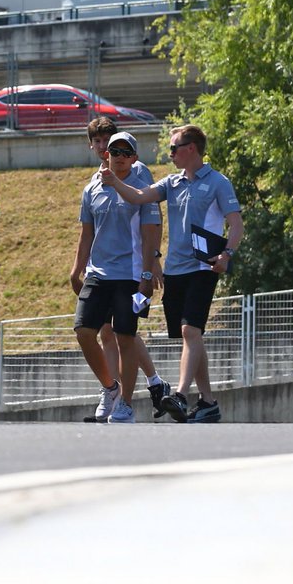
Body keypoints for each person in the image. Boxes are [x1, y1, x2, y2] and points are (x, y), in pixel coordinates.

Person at [100, 124, 243, 423]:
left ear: (191, 148)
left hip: (203, 268)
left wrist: (226, 254)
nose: (170, 153)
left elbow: (236, 224)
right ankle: (208, 402)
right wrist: (114, 183)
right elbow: (139, 197)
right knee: (191, 336)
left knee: (191, 331)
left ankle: (178, 394)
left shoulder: (218, 182)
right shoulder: (172, 182)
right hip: (175, 271)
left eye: (174, 148)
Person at [78, 118, 170, 421]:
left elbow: (150, 216)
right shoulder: (93, 183)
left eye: (115, 144)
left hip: (130, 271)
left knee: (123, 334)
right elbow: (88, 229)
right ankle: (114, 389)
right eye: (102, 143)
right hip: (100, 271)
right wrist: (77, 267)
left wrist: (152, 262)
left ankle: (140, 390)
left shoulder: (137, 171)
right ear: (93, 146)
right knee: (98, 331)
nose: (110, 150)